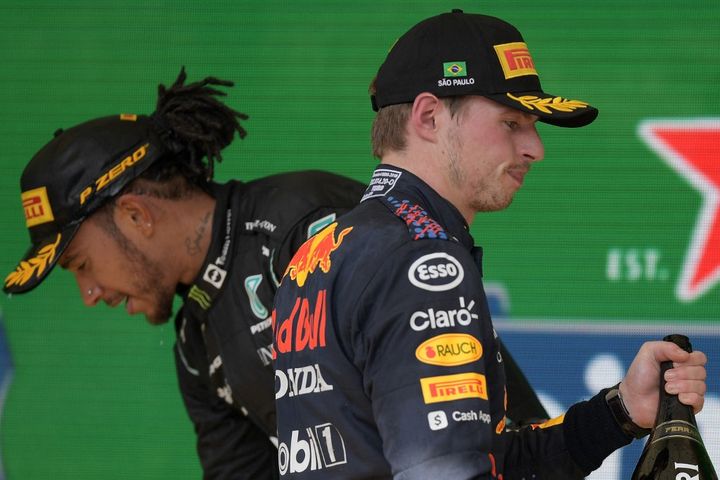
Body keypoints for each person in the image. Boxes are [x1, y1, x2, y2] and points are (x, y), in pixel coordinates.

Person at [3, 67, 546, 478]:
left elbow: (443, 424)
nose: (89, 293)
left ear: (136, 215)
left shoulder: (304, 223)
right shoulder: (195, 343)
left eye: (80, 264)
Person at [271, 10, 708, 479]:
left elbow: (489, 459)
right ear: (429, 117)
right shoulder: (423, 260)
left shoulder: (322, 252)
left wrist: (620, 411)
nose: (535, 148)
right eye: (511, 122)